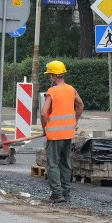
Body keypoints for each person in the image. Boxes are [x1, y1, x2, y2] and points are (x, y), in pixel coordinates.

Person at [40, 60, 84, 204]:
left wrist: (44, 128)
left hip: (54, 135)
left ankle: (57, 194)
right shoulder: (71, 89)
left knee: (52, 164)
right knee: (65, 163)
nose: (49, 78)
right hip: (68, 134)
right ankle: (66, 193)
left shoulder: (52, 91)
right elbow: (80, 105)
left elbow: (43, 113)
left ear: (53, 76)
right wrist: (74, 121)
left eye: (49, 75)